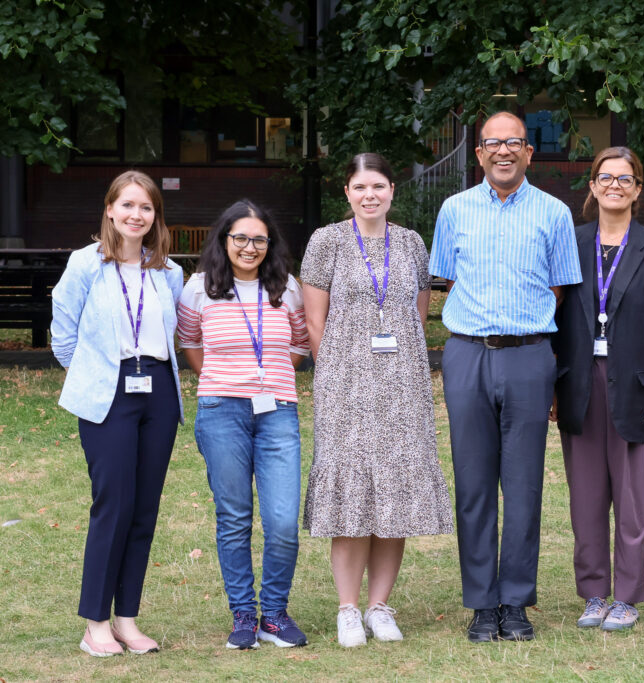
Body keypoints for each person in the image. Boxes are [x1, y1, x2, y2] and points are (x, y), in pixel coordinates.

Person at [429, 112, 582, 642]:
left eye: (513, 142)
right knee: (472, 484)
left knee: (523, 484)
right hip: (468, 354)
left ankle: (515, 602)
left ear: (528, 153)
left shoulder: (554, 213)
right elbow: (446, 277)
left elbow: (561, 289)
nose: (503, 151)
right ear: (479, 154)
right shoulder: (454, 210)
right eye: (493, 143)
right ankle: (481, 602)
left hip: (528, 356)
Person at [301, 153, 453, 648]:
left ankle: (379, 607)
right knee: (351, 495)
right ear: (347, 192)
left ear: (392, 190)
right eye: (361, 186)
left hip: (403, 386)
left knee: (395, 495)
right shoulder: (327, 241)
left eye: (380, 186)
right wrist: (335, 376)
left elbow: (418, 312)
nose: (371, 195)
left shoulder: (410, 243)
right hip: (346, 385)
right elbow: (314, 320)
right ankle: (348, 608)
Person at [551, 147, 644, 632]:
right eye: (605, 177)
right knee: (585, 498)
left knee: (633, 501)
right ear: (591, 186)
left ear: (638, 188)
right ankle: (593, 593)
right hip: (580, 385)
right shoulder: (571, 241)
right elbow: (554, 317)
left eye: (625, 179)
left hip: (638, 386)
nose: (614, 185)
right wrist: (551, 381)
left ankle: (626, 596)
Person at [51, 171, 184, 657]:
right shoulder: (85, 264)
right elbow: (63, 336)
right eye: (127, 205)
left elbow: (172, 335)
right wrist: (95, 373)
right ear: (109, 209)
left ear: (155, 216)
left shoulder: (168, 271)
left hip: (159, 393)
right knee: (114, 505)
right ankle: (95, 624)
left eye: (145, 208)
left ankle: (127, 619)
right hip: (108, 392)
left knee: (144, 510)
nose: (136, 215)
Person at [177, 200, 310, 650]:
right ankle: (243, 616)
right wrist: (226, 379)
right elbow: (191, 343)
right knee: (233, 518)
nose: (249, 247)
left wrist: (268, 373)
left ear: (269, 245)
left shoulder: (286, 287)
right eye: (240, 238)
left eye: (259, 239)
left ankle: (273, 614)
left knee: (283, 520)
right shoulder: (199, 288)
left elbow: (300, 343)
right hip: (221, 412)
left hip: (277, 412)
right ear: (224, 240)